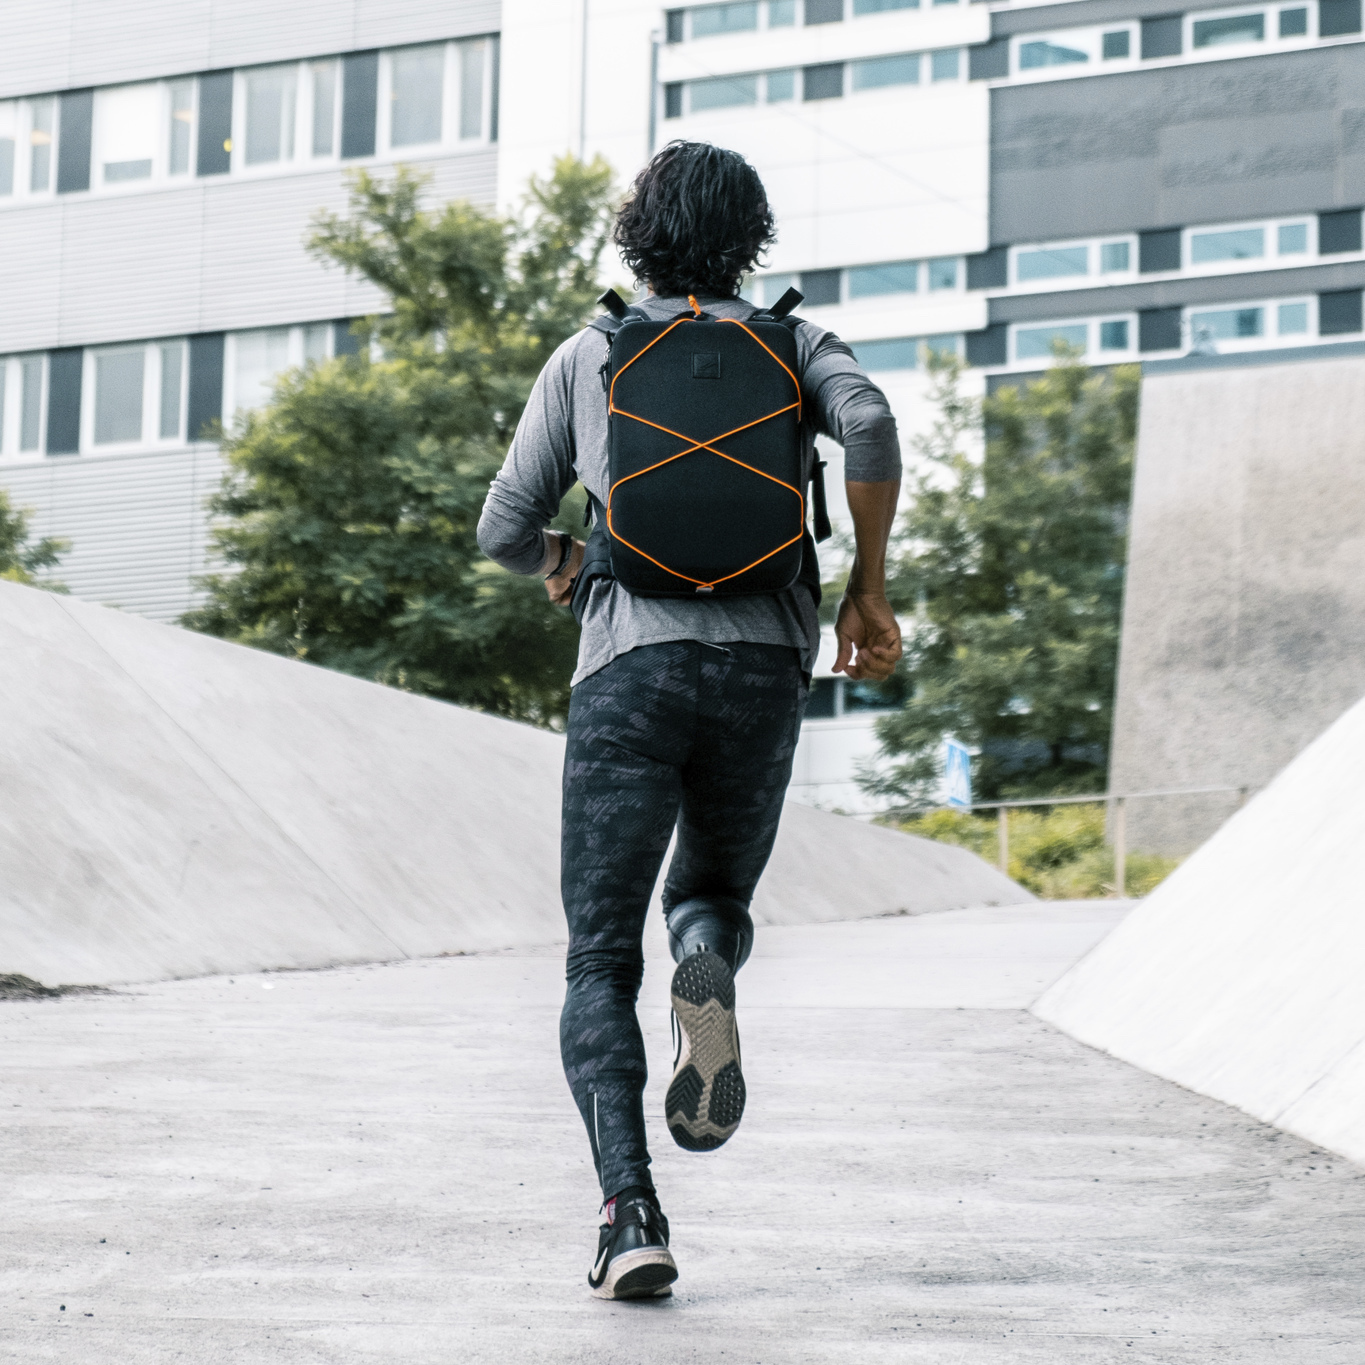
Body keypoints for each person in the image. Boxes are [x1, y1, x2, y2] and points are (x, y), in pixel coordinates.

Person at [476, 141, 902, 1300]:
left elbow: (503, 526)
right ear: (750, 238)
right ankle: (705, 960)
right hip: (764, 666)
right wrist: (867, 590)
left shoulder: (592, 352)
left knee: (599, 956)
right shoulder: (797, 345)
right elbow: (869, 427)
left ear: (639, 235)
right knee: (710, 894)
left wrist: (563, 557)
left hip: (629, 669)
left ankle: (630, 1216)